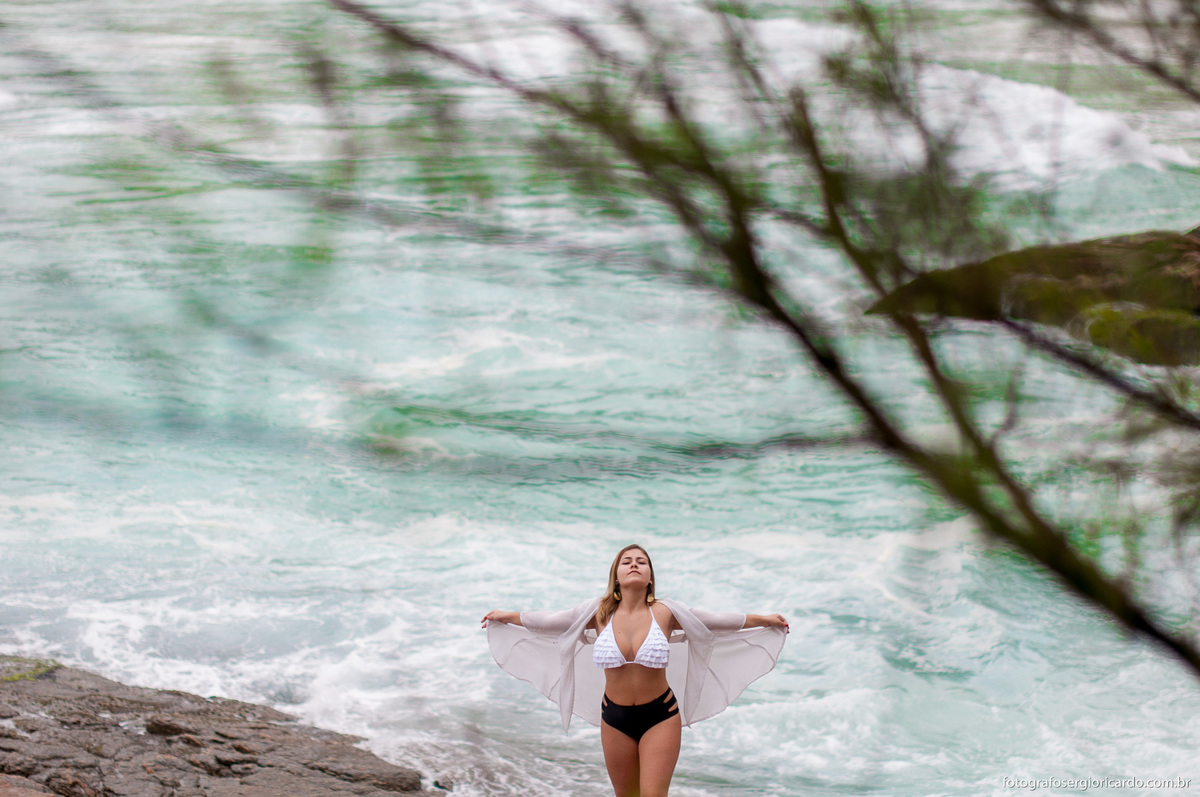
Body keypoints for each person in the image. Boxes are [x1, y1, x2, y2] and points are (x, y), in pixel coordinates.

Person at [482, 544, 789, 797]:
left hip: (660, 715)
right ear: (615, 575)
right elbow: (549, 621)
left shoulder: (666, 612)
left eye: (642, 562)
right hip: (613, 717)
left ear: (650, 577)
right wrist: (507, 616)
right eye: (626, 561)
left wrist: (764, 620)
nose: (634, 564)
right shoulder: (597, 612)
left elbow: (715, 620)